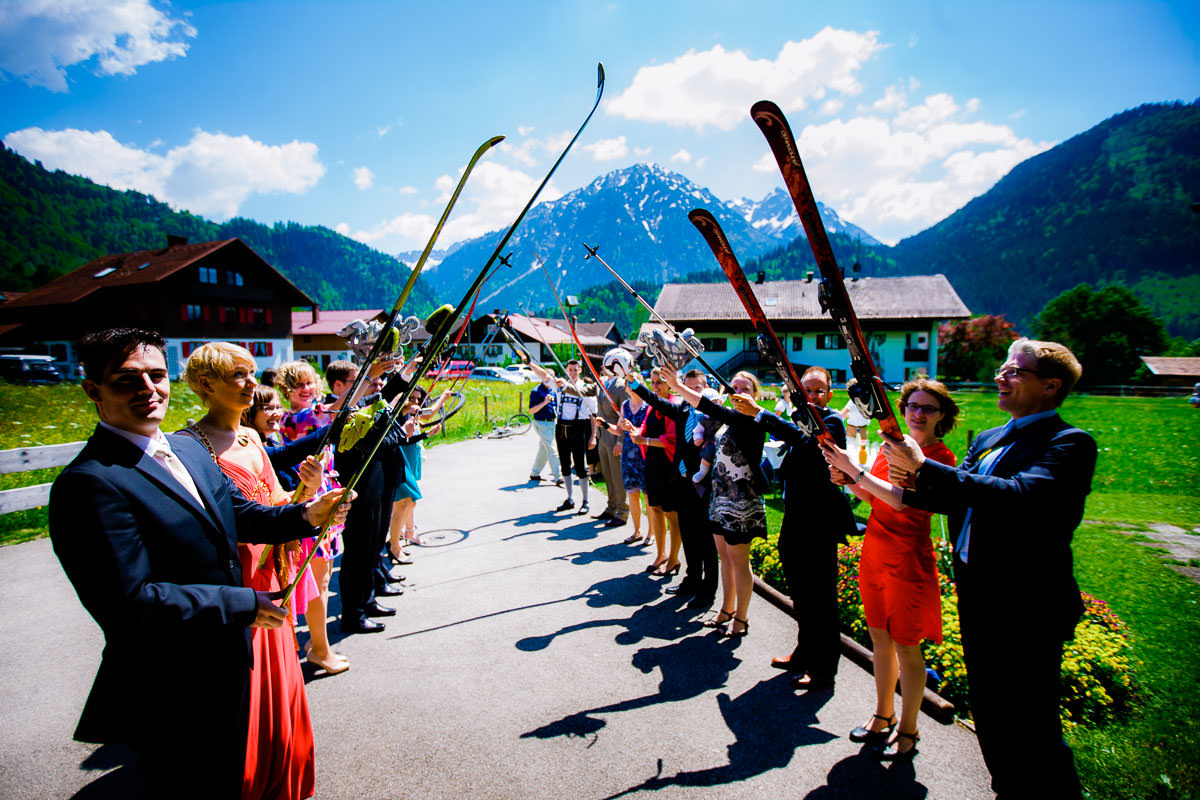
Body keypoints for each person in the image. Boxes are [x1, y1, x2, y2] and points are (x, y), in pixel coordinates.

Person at [48, 328, 350, 799]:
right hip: (174, 681)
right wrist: (241, 604)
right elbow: (129, 603)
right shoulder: (88, 485)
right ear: (93, 390)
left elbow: (238, 515)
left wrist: (306, 514)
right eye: (128, 380)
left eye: (156, 376)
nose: (149, 390)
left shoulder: (187, 448)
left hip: (231, 655)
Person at [882, 339, 1096, 797]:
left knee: (1032, 721)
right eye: (1004, 367)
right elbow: (952, 495)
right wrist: (878, 478)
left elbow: (1019, 496)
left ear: (1050, 386)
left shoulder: (1070, 443)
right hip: (977, 591)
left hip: (1026, 604)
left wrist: (926, 468)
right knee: (991, 710)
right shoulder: (989, 438)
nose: (1001, 375)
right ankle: (1007, 787)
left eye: (1015, 371)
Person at [179, 342, 329, 797]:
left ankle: (284, 770)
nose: (251, 384)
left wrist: (306, 491)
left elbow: (272, 507)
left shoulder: (251, 438)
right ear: (206, 386)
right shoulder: (190, 447)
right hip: (241, 577)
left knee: (282, 677)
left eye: (252, 373)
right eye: (238, 376)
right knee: (250, 685)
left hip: (274, 568)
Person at [822, 378, 959, 758]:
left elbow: (902, 502)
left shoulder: (939, 459)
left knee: (908, 648)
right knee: (879, 642)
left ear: (942, 416)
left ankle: (909, 728)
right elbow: (871, 496)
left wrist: (856, 471)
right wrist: (847, 479)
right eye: (912, 405)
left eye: (927, 408)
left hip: (907, 560)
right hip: (875, 554)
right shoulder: (889, 448)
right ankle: (882, 714)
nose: (917, 413)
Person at [742, 366, 857, 689]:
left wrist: (762, 413)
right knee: (801, 594)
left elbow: (807, 438)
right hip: (795, 520)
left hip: (819, 525)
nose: (813, 396)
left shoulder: (831, 422)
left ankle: (824, 669)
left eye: (819, 391)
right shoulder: (798, 420)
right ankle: (804, 651)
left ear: (830, 395)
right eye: (807, 390)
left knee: (821, 598)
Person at [243, 384, 349, 675]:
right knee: (316, 586)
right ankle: (319, 648)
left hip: (302, 514)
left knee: (320, 582)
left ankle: (316, 647)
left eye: (277, 406)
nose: (276, 412)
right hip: (290, 525)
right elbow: (287, 462)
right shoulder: (259, 447)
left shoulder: (267, 439)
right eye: (267, 407)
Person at [662, 367, 766, 637]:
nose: (739, 393)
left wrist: (679, 387)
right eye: (735, 388)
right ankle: (726, 608)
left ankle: (740, 618)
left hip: (740, 499)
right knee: (725, 558)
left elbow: (710, 408)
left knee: (739, 561)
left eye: (746, 389)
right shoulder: (728, 420)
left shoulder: (751, 421)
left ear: (756, 395)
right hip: (720, 496)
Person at [623, 368, 683, 576]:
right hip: (652, 465)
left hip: (668, 467)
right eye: (653, 382)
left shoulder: (673, 405)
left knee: (671, 514)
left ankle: (674, 558)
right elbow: (645, 431)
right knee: (654, 509)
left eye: (660, 382)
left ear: (670, 384)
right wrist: (635, 430)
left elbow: (671, 440)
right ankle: (661, 554)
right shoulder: (651, 407)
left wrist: (644, 440)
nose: (656, 386)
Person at [592, 351, 630, 528]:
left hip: (615, 436)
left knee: (617, 475)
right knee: (607, 474)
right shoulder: (603, 384)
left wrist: (621, 441)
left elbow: (625, 416)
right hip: (602, 436)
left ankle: (622, 512)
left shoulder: (622, 387)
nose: (602, 367)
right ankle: (611, 506)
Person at [616, 381, 650, 546]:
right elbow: (619, 430)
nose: (630, 387)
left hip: (645, 453)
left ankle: (652, 533)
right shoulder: (625, 405)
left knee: (648, 496)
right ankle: (637, 531)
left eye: (633, 384)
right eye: (628, 385)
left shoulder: (649, 404)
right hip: (629, 454)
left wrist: (634, 428)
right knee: (633, 494)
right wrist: (603, 424)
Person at [527, 365, 562, 484]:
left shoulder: (553, 390)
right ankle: (558, 476)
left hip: (552, 423)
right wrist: (544, 402)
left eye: (551, 377)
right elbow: (531, 411)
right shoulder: (536, 391)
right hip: (542, 423)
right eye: (545, 377)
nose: (548, 379)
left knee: (544, 448)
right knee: (552, 449)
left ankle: (535, 473)